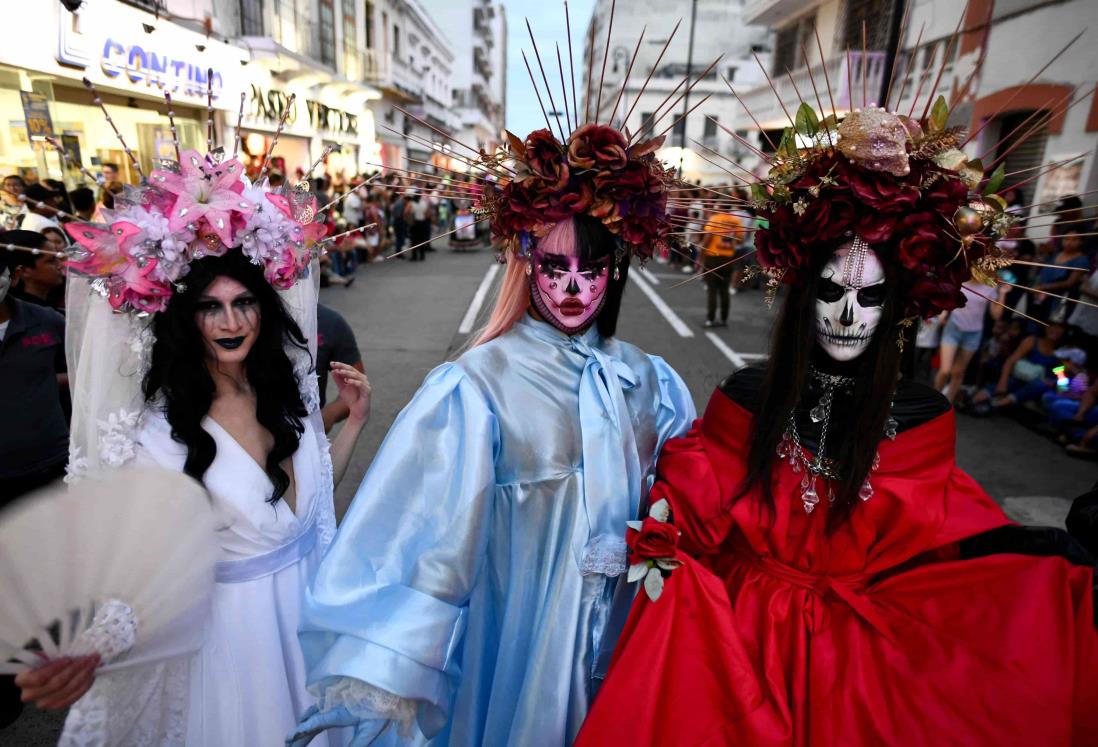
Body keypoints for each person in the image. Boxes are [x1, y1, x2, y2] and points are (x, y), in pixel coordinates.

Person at [578, 104, 1098, 746]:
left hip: (855, 655)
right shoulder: (749, 398)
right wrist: (655, 534)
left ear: (897, 305)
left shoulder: (917, 417)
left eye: (870, 296)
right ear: (803, 293)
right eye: (831, 290)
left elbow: (944, 536)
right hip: (738, 640)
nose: (847, 313)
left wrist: (1042, 565)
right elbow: (695, 497)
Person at [290, 121, 694, 746]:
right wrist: (389, 659)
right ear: (527, 265)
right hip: (515, 639)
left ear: (616, 273)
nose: (570, 288)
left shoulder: (652, 382)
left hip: (621, 633)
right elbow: (428, 533)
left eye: (591, 270)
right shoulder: (477, 385)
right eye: (554, 266)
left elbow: (686, 506)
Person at [14, 137, 372, 746]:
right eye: (210, 308)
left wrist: (355, 421)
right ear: (185, 321)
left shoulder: (292, 396)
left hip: (308, 623)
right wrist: (92, 649)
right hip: (232, 652)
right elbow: (139, 577)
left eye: (243, 304)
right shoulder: (157, 436)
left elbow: (307, 518)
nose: (231, 322)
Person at [933, 279, 1005, 402]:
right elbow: (949, 297)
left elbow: (996, 315)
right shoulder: (961, 279)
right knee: (945, 370)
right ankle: (932, 399)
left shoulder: (990, 285)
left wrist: (1003, 293)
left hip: (974, 333)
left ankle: (947, 405)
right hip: (953, 327)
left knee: (958, 373)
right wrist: (943, 314)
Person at [316, 302, 364, 432]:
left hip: (307, 442)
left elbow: (355, 387)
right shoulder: (255, 321)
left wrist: (328, 415)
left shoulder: (328, 322)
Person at [1030, 228, 1090, 322]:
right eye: (1066, 239)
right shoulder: (1056, 254)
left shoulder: (1081, 260)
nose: (1069, 243)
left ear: (1081, 242)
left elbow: (1069, 283)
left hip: (1059, 301)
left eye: (1074, 240)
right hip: (1040, 296)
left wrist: (1043, 287)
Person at [699, 209, 743, 328]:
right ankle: (724, 318)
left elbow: (707, 238)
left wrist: (701, 256)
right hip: (728, 258)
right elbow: (741, 240)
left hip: (713, 257)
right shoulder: (736, 221)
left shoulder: (715, 219)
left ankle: (710, 319)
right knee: (724, 290)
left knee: (712, 289)